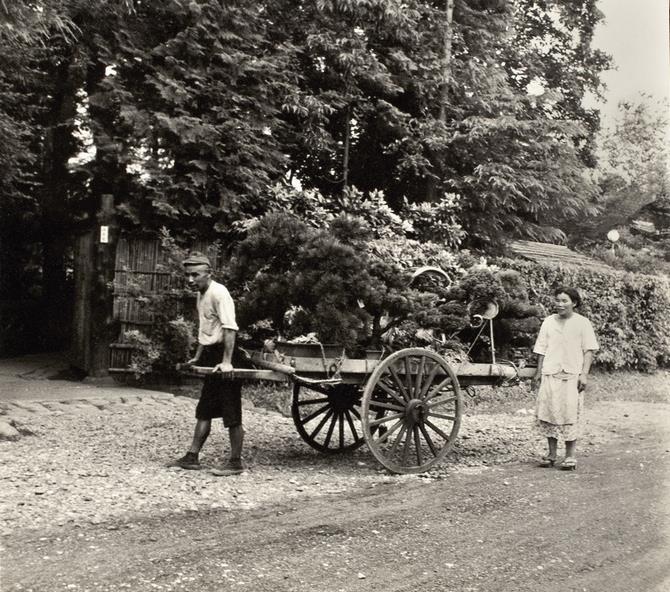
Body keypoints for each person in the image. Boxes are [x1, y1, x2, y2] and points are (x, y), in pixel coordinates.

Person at [171, 252, 245, 476]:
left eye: (196, 275)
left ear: (209, 274)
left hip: (227, 356)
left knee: (231, 411)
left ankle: (235, 462)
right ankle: (192, 457)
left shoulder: (219, 292)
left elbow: (229, 328)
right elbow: (206, 329)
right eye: (188, 275)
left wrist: (227, 362)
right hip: (212, 355)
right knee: (204, 409)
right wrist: (197, 356)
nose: (191, 280)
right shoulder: (200, 294)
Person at [531, 286, 599, 471]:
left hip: (572, 375)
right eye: (557, 300)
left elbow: (589, 351)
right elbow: (541, 349)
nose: (559, 304)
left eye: (564, 301)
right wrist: (538, 373)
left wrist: (583, 374)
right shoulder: (548, 322)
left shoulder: (582, 323)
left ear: (574, 303)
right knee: (549, 412)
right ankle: (551, 455)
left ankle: (570, 456)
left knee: (570, 414)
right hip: (550, 372)